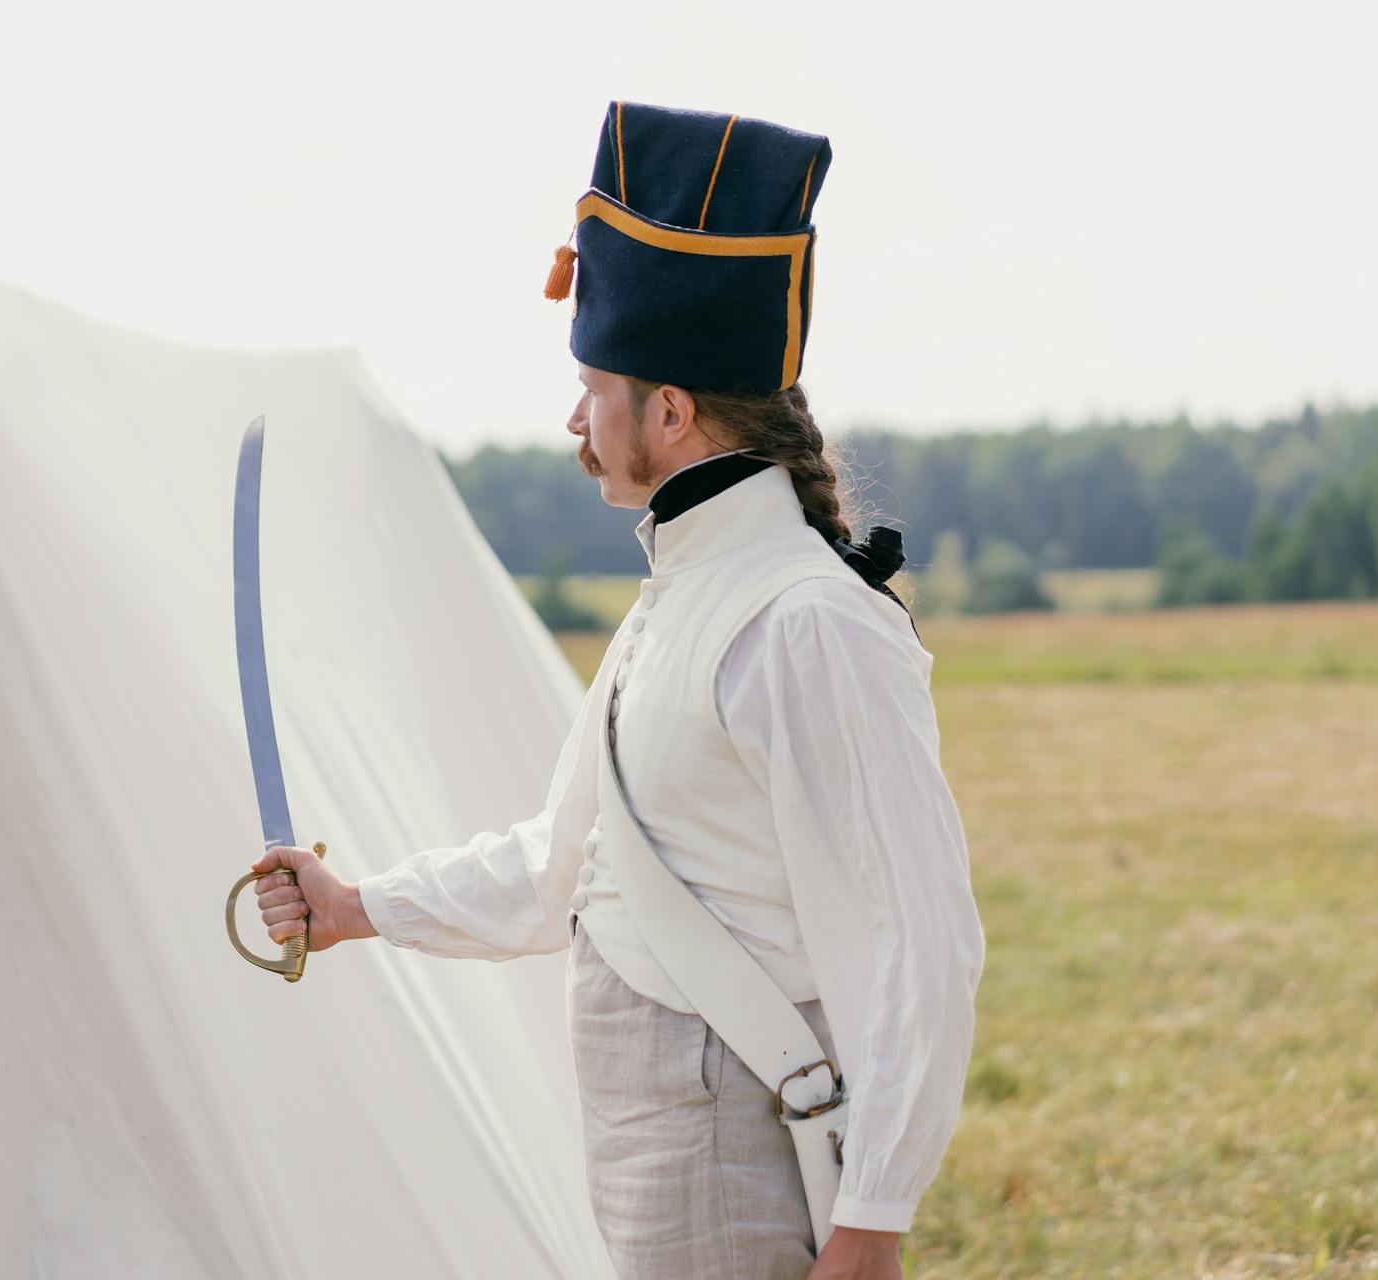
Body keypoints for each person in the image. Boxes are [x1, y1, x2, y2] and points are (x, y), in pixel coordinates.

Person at [250, 100, 984, 1280]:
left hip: (724, 1143)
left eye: (596, 387)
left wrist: (873, 1218)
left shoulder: (803, 616)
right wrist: (358, 905)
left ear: (673, 410)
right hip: (663, 1144)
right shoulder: (680, 597)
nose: (575, 420)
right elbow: (566, 872)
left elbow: (922, 934)